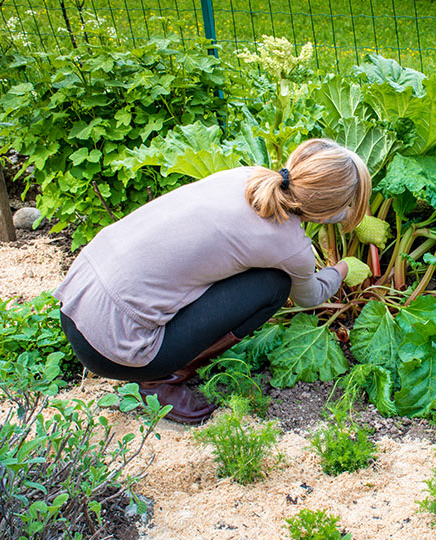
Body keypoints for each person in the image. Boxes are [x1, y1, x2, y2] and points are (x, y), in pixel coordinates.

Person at [55, 139, 371, 423]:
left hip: (77, 302)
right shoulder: (289, 245)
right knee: (274, 286)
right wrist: (344, 267)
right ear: (328, 209)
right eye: (346, 207)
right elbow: (311, 296)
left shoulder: (246, 176)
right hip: (113, 349)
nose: (347, 213)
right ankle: (159, 381)